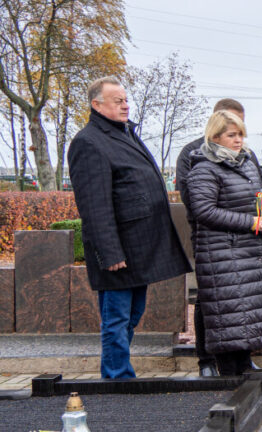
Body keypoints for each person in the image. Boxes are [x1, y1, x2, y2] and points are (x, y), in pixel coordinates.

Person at [68, 77, 192, 379]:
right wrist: (110, 253)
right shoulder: (89, 142)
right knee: (116, 317)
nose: (125, 105)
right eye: (117, 100)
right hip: (119, 250)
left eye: (125, 99)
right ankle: (116, 377)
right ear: (97, 105)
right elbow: (94, 206)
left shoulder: (123, 133)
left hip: (139, 246)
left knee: (132, 314)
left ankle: (119, 371)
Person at [184, 111, 262, 375]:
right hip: (222, 255)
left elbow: (258, 201)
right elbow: (204, 211)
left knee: (244, 315)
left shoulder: (246, 164)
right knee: (228, 314)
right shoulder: (204, 168)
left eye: (241, 134)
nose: (239, 139)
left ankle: (244, 366)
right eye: (232, 135)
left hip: (248, 252)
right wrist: (250, 223)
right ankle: (231, 376)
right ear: (215, 137)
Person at [176, 98, 251, 377]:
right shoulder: (192, 153)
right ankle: (206, 360)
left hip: (243, 239)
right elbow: (194, 202)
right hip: (212, 239)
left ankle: (242, 358)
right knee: (210, 300)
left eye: (241, 128)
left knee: (239, 303)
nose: (238, 134)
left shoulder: (246, 153)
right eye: (232, 127)